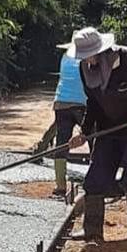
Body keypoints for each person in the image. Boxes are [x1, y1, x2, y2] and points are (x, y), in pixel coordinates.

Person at [68, 27, 127, 243]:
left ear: (102, 51)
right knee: (95, 178)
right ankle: (92, 230)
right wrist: (83, 132)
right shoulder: (85, 69)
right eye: (83, 58)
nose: (87, 62)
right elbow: (93, 103)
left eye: (89, 57)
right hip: (107, 130)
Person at [51, 42, 87, 197]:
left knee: (62, 142)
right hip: (82, 103)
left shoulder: (65, 57)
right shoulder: (87, 59)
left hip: (61, 103)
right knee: (92, 138)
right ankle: (95, 180)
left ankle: (60, 186)